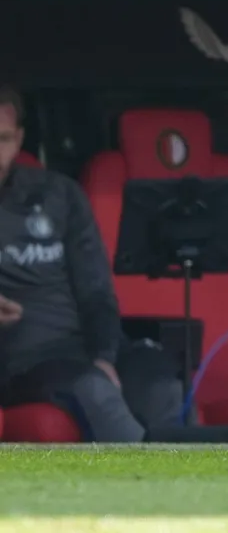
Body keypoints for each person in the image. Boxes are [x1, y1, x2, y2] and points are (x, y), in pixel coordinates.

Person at [0, 87, 184, 441]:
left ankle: (202, 487)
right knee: (93, 390)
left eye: (4, 139)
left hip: (85, 349)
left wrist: (104, 355)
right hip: (23, 363)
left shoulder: (59, 193)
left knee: (161, 385)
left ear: (20, 139)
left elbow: (96, 289)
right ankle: (154, 488)